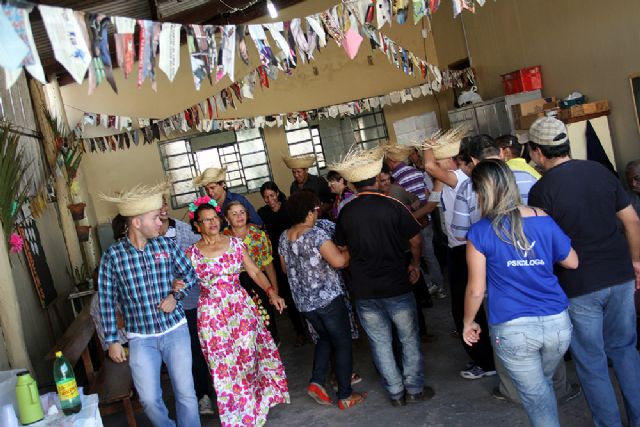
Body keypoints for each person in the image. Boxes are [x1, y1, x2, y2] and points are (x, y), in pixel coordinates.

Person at [527, 116, 640, 427]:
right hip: (620, 277)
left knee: (591, 362)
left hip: (578, 285)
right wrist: (636, 264)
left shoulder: (541, 191)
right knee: (625, 350)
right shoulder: (600, 172)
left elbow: (549, 246)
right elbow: (632, 221)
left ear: (538, 152)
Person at [454, 135, 579, 403]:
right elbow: (572, 262)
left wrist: (468, 322)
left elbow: (476, 289)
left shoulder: (480, 232)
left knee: (533, 393)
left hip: (512, 324)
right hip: (556, 321)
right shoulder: (542, 218)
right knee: (546, 379)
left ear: (482, 191)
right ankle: (556, 391)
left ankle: (519, 394)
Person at [333, 147, 434, 407]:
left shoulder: (346, 212)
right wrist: (413, 264)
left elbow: (342, 250)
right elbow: (415, 238)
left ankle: (396, 393)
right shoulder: (393, 205)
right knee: (408, 339)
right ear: (377, 178)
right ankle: (414, 388)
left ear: (353, 184)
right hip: (397, 285)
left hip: (365, 290)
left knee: (380, 344)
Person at [98, 182, 201, 427]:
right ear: (136, 222)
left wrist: (174, 297)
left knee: (186, 394)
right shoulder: (113, 256)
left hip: (175, 330)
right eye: (155, 218)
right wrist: (112, 340)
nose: (160, 222)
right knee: (149, 400)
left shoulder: (166, 244)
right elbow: (106, 298)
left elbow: (190, 273)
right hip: (140, 339)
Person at [185, 198, 289, 427]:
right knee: (221, 366)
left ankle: (251, 408)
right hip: (211, 315)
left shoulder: (234, 244)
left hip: (239, 309)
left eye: (215, 218)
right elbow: (180, 281)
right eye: (206, 220)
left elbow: (254, 272)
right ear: (197, 226)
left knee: (246, 359)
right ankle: (233, 417)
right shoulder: (190, 254)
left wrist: (271, 292)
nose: (212, 223)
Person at [278, 190, 367, 410]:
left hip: (304, 303)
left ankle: (317, 381)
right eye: (315, 210)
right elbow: (338, 262)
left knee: (325, 338)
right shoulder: (316, 235)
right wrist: (348, 251)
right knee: (343, 343)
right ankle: (345, 395)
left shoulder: (284, 236)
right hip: (327, 299)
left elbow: (284, 269)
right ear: (309, 213)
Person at [424, 136, 496, 380]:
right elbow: (432, 198)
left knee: (466, 306)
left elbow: (430, 166)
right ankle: (485, 354)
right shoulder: (448, 181)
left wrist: (426, 146)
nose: (437, 161)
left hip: (465, 248)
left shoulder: (460, 179)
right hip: (458, 247)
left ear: (453, 160)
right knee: (467, 305)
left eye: (441, 157)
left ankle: (484, 360)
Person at [158, 195, 215, 415]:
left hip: (191, 302)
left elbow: (201, 262)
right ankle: (188, 400)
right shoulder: (147, 237)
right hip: (164, 308)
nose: (161, 209)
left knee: (197, 350)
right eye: (156, 206)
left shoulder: (186, 231)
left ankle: (203, 395)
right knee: (178, 357)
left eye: (163, 203)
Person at [385, 144, 446, 300]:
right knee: (429, 254)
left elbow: (404, 202)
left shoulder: (396, 179)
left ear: (391, 161)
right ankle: (439, 286)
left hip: (412, 221)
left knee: (416, 254)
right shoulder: (416, 172)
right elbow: (426, 193)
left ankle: (431, 284)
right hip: (427, 218)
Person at [257, 181, 307, 346]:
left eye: (272, 195)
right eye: (266, 197)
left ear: (277, 193)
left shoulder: (288, 207)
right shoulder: (262, 213)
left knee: (303, 291)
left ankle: (311, 327)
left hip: (294, 255)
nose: (270, 199)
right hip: (277, 259)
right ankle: (300, 331)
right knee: (288, 296)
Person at [223, 201, 280, 343]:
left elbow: (268, 266)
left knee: (266, 326)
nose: (239, 216)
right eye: (234, 214)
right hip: (235, 290)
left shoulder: (258, 235)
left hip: (260, 285)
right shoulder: (223, 239)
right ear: (226, 218)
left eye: (242, 212)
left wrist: (274, 291)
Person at [193, 167, 263, 228]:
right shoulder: (209, 207)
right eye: (207, 189)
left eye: (212, 188)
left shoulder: (238, 200)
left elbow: (258, 224)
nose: (210, 193)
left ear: (222, 184)